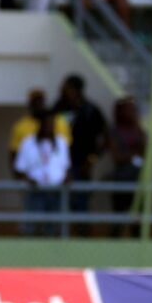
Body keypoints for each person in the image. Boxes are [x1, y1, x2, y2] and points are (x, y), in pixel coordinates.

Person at [53, 73, 106, 231]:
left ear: (76, 90)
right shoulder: (58, 108)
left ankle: (83, 236)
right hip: (60, 166)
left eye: (66, 87)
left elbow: (105, 137)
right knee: (58, 203)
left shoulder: (91, 110)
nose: (61, 89)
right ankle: (59, 238)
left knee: (81, 203)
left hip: (81, 166)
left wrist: (91, 160)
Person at [13, 111, 70, 236]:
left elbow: (66, 167)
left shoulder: (61, 143)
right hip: (35, 192)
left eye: (52, 124)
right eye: (47, 123)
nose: (50, 127)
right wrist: (28, 180)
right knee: (31, 228)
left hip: (56, 191)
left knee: (54, 228)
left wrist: (66, 178)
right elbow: (19, 169)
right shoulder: (28, 143)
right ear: (41, 124)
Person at [9, 89, 71, 172]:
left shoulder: (59, 122)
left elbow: (66, 151)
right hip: (32, 175)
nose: (38, 105)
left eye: (40, 101)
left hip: (56, 175)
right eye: (35, 102)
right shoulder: (22, 127)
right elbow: (14, 153)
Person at [107, 97, 144, 236]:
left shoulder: (137, 130)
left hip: (137, 180)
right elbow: (117, 157)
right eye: (130, 109)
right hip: (121, 180)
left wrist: (138, 124)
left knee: (138, 218)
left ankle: (137, 242)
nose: (133, 112)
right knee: (119, 217)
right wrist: (134, 155)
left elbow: (145, 150)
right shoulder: (114, 132)